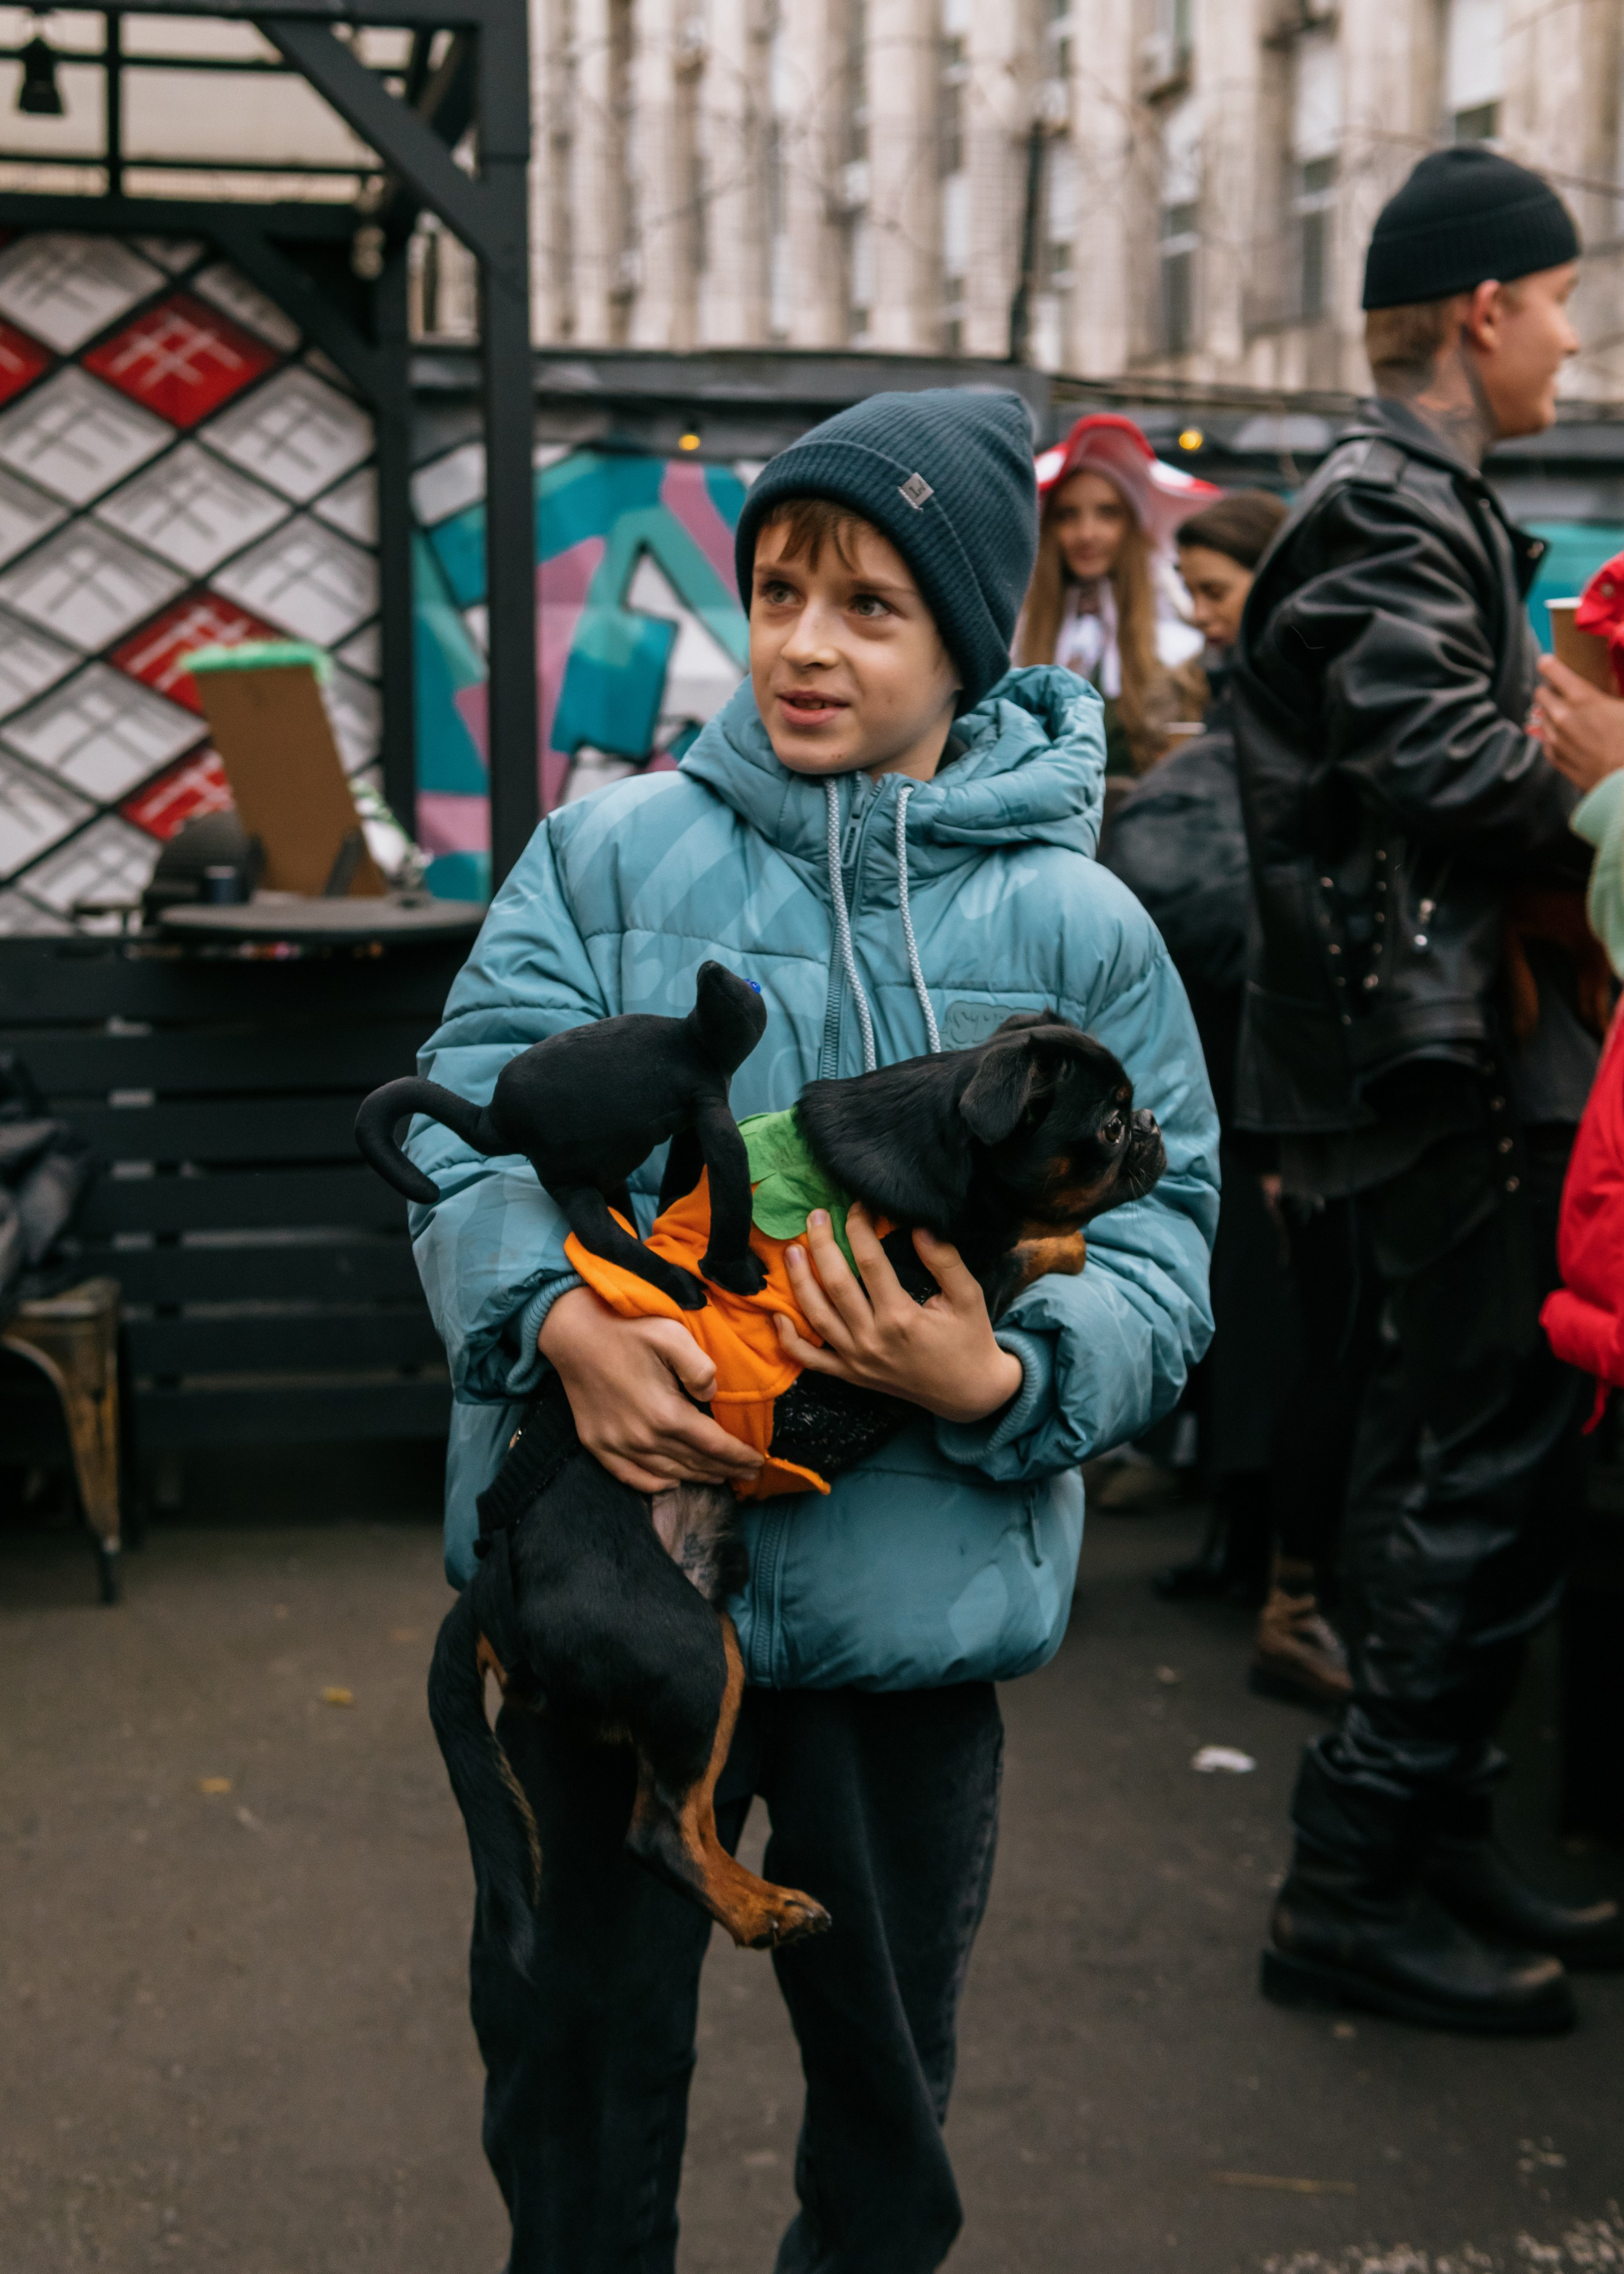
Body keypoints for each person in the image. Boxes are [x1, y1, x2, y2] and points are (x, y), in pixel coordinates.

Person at [408, 387, 1219, 2270]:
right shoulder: (602, 861)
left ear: (965, 636)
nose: (802, 641)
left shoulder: (1081, 922)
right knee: (570, 2078)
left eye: (867, 604)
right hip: (595, 1609)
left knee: (884, 2107)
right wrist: (555, 1323)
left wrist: (1008, 1379)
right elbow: (461, 1132)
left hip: (910, 1619)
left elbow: (1171, 1234)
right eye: (776, 589)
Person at [1231, 145, 1623, 2036]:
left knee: (1470, 1456)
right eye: (1557, 302)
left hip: (1425, 1054)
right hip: (1430, 1063)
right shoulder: (1387, 506)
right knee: (1489, 1464)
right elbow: (1445, 763)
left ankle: (1429, 1828)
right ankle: (1349, 1879)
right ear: (1484, 309)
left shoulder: (1410, 501)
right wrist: (1611, 778)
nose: (1569, 337)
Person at [1108, 490, 1350, 1705]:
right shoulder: (1258, 694)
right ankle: (1243, 1541)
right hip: (1226, 1036)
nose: (1201, 616)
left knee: (1269, 1315)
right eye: (1193, 592)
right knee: (1245, 1302)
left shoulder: (1291, 699)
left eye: (1215, 590)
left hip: (1263, 1048)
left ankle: (1260, 1553)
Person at [1016, 412, 1214, 775]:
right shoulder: (1020, 640)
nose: (1086, 533)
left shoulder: (1178, 648)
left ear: (1134, 525)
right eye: (1067, 515)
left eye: (1107, 513)